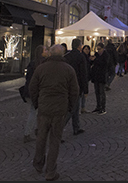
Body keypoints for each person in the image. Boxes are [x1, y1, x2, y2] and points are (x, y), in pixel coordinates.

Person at [29, 44, 79, 181]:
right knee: (55, 140)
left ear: (50, 54)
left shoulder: (41, 68)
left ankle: (38, 163)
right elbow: (74, 91)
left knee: (41, 137)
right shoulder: (68, 69)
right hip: (59, 109)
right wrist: (70, 107)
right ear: (62, 54)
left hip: (44, 108)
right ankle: (50, 171)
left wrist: (37, 103)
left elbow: (32, 87)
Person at [23, 45, 48, 143]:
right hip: (36, 91)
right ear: (41, 52)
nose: (47, 51)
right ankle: (27, 133)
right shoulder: (41, 64)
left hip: (32, 91)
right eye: (45, 50)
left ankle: (37, 130)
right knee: (34, 112)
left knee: (37, 111)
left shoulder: (34, 63)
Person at [63, 38, 87, 135]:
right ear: (79, 46)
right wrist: (85, 89)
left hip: (68, 84)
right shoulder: (81, 57)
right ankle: (60, 127)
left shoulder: (67, 56)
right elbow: (83, 73)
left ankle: (76, 127)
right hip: (77, 85)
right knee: (73, 108)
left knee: (76, 107)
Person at [89, 42, 109, 114]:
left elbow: (104, 64)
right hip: (96, 76)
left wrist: (95, 60)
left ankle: (103, 108)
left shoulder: (105, 55)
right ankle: (98, 106)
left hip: (102, 76)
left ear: (103, 48)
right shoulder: (97, 54)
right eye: (97, 49)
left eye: (99, 49)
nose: (98, 51)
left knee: (101, 92)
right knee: (97, 92)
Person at [80, 45, 92, 113]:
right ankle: (82, 107)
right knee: (82, 92)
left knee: (83, 93)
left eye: (88, 49)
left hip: (86, 77)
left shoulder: (87, 57)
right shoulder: (83, 57)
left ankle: (83, 107)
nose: (87, 51)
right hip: (84, 77)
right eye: (86, 49)